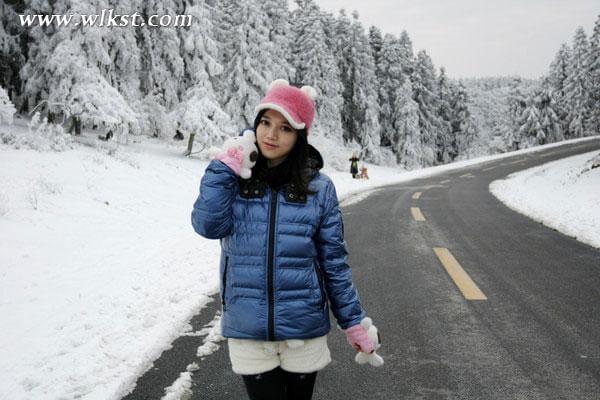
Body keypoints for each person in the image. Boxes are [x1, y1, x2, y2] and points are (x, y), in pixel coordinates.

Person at [191, 79, 381, 400]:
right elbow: (207, 226)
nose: (271, 134)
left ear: (300, 135)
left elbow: (333, 263)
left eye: (285, 127)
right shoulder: (236, 179)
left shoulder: (319, 189)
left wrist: (353, 321)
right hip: (249, 328)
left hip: (303, 331)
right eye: (265, 122)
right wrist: (222, 168)